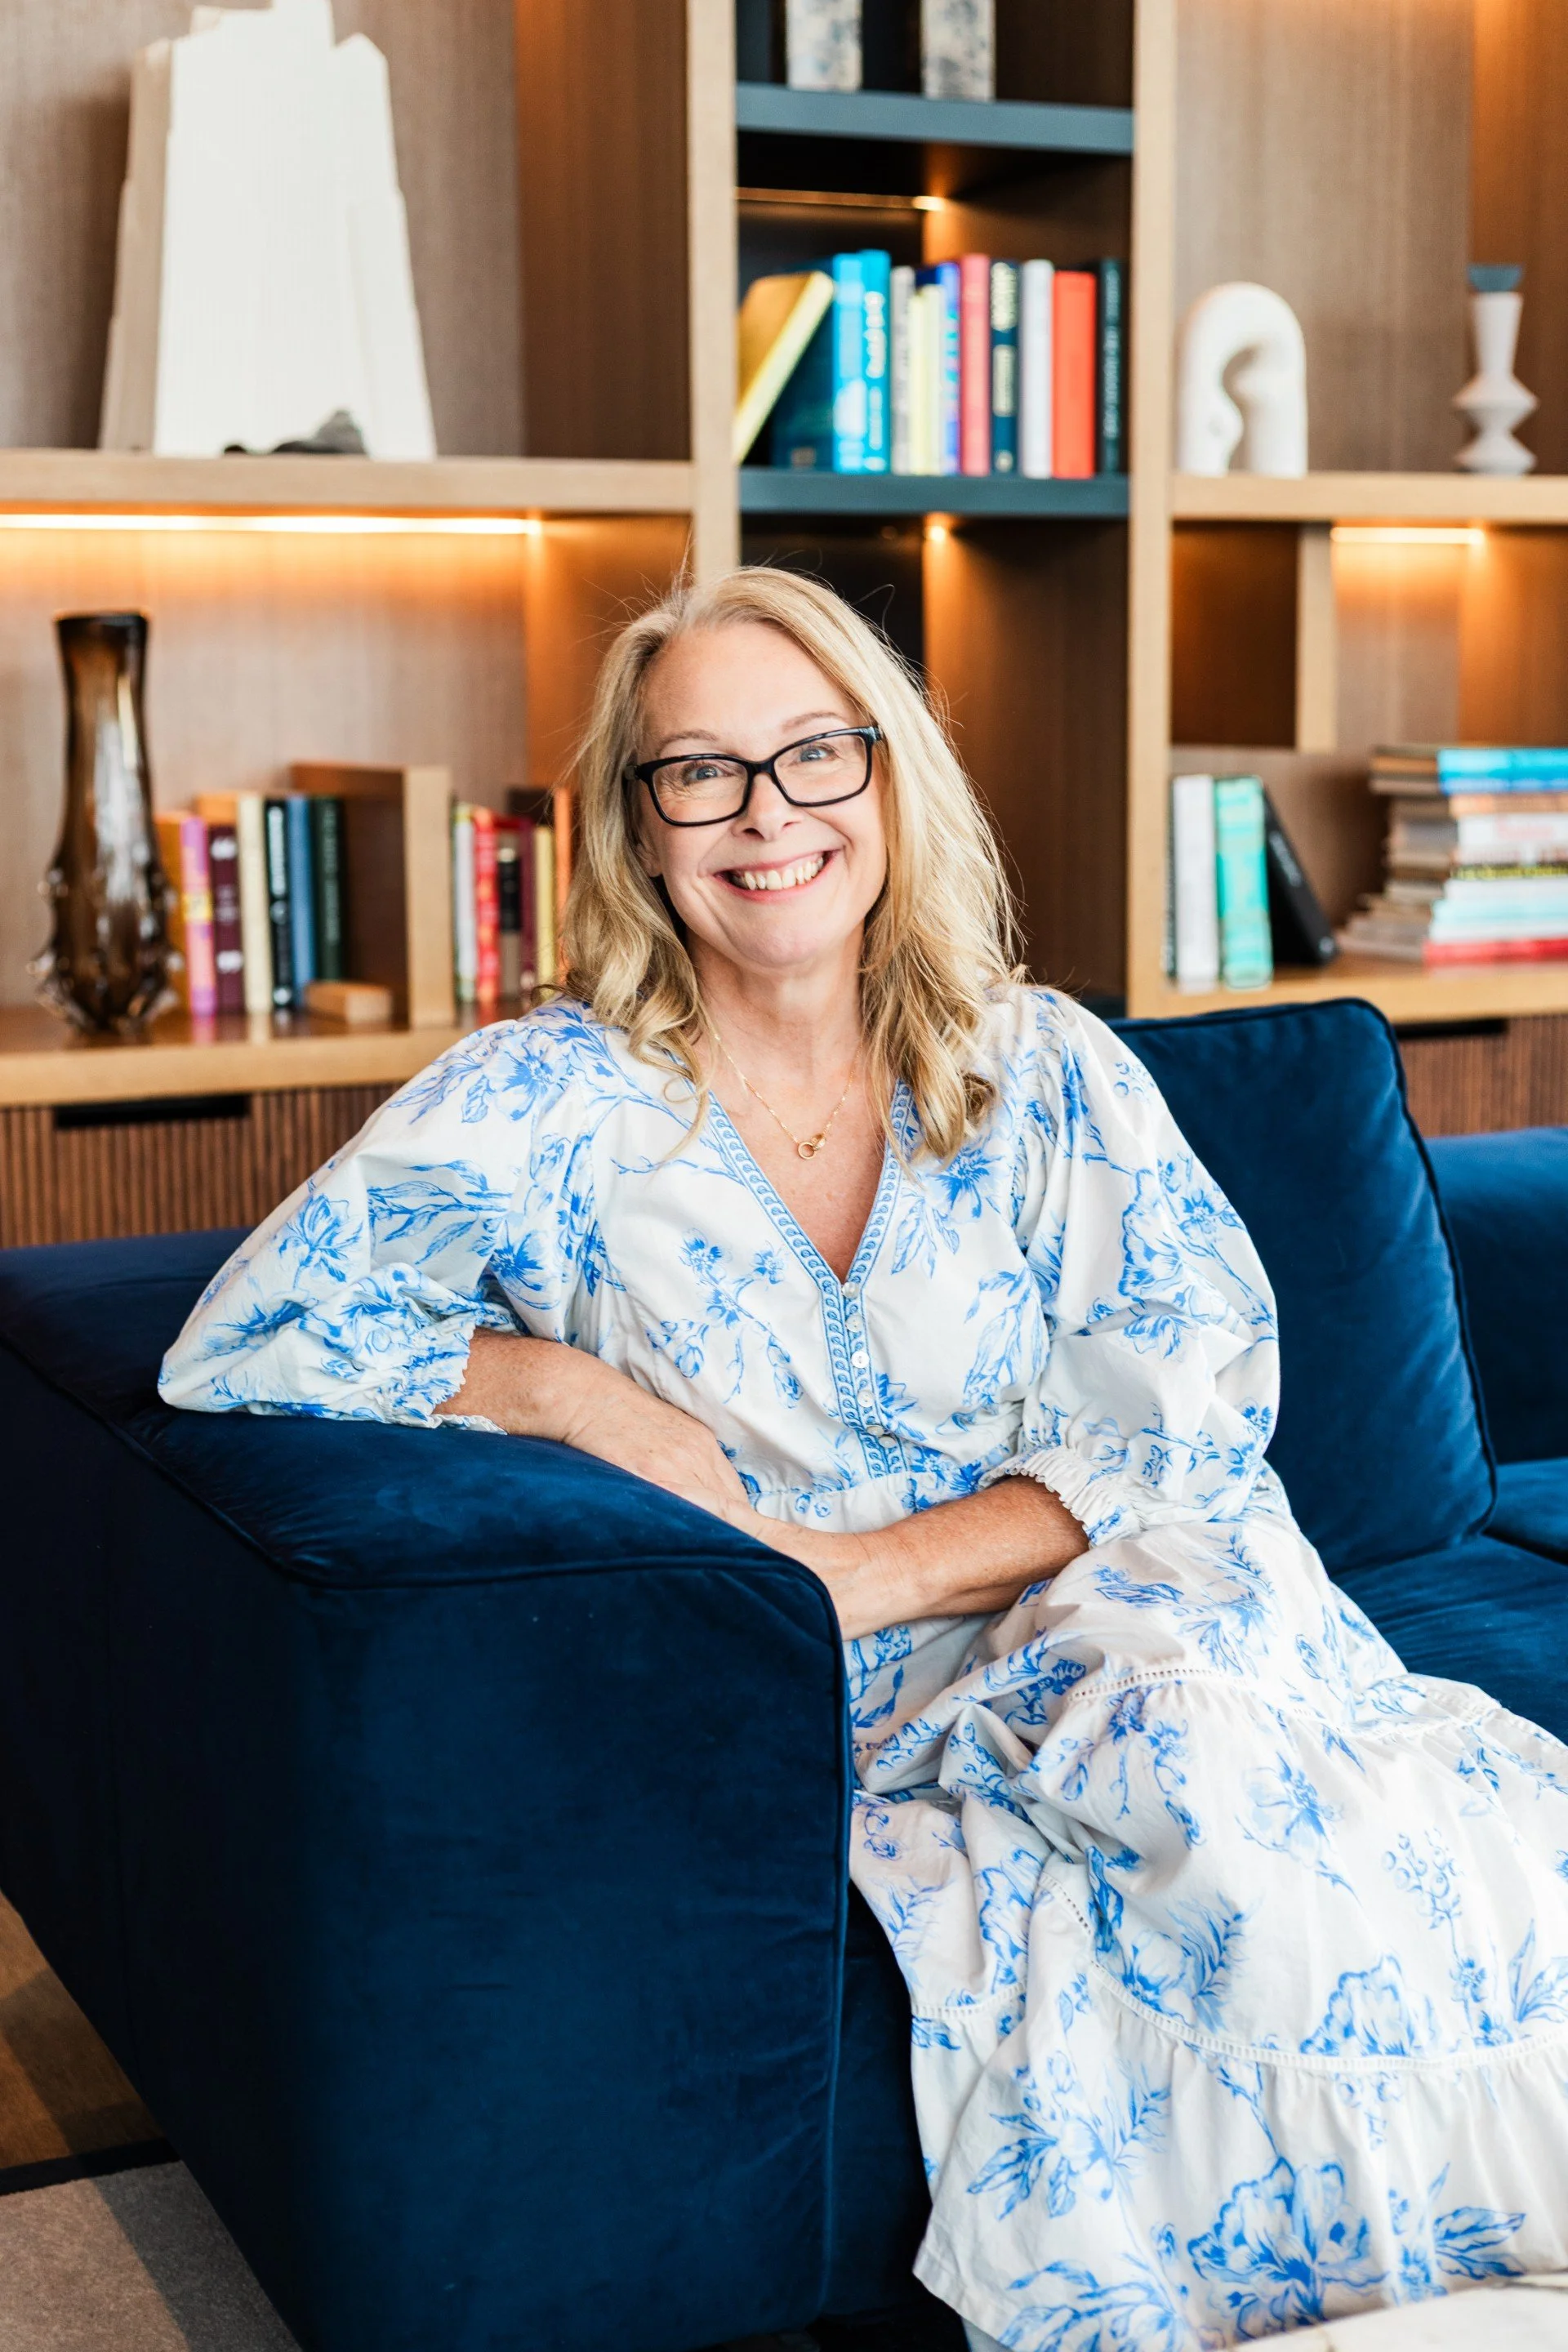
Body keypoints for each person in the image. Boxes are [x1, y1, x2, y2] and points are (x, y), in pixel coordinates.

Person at [161, 568, 1568, 2349]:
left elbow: (1195, 1414)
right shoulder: (546, 1101)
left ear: (891, 781)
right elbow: (249, 1335)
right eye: (703, 773)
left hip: (1131, 1613)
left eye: (815, 755)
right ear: (638, 828)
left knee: (1241, 1773)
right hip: (857, 1711)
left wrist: (862, 1573)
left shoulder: (1043, 1069)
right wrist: (567, 1392)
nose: (768, 817)